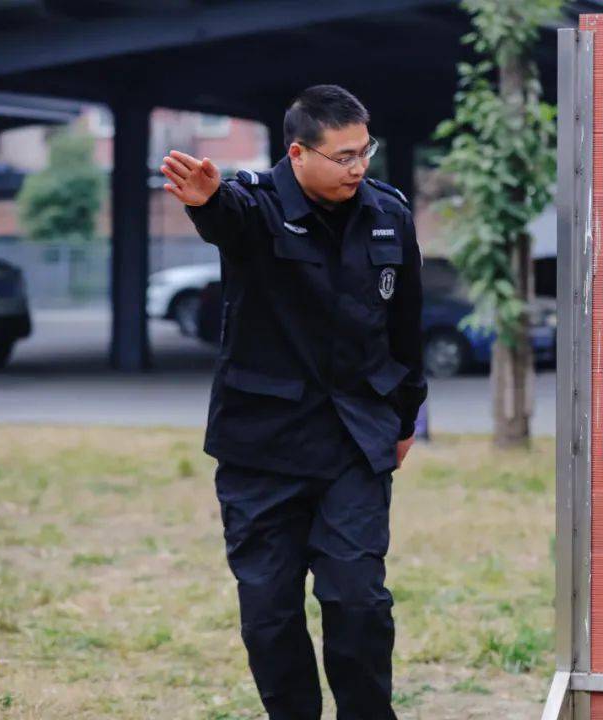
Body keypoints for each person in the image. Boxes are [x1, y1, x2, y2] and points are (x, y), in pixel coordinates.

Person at [160, 84, 425, 720]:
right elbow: (226, 217)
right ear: (298, 152)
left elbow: (406, 328)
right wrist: (206, 202)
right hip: (262, 449)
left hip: (353, 443)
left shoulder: (387, 213)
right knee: (269, 617)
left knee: (358, 602)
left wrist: (406, 416)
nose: (358, 168)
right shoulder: (254, 206)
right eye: (343, 157)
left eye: (365, 152)